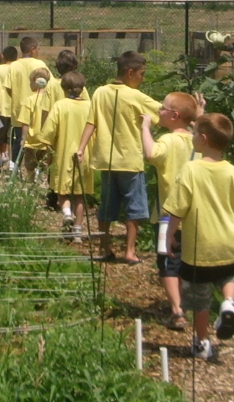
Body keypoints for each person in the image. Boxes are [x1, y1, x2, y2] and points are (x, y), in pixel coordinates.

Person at [164, 113, 234, 361]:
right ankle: (229, 302)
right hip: (227, 244)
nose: (192, 135)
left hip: (199, 248)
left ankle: (202, 341)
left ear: (203, 139)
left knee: (199, 300)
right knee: (230, 277)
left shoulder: (191, 170)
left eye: (195, 133)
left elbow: (177, 208)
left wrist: (169, 235)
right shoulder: (232, 171)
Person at [76, 51, 161, 264]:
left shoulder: (100, 92)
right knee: (135, 207)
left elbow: (91, 122)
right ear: (130, 72)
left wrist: (81, 148)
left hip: (106, 160)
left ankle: (105, 248)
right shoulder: (136, 96)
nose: (143, 79)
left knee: (107, 207)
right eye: (142, 74)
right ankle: (130, 251)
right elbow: (165, 113)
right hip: (130, 161)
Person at [141, 91, 199, 330]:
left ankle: (177, 310)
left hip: (168, 215)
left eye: (163, 109)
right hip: (194, 216)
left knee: (167, 262)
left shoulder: (168, 140)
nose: (158, 111)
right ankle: (188, 303)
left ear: (174, 116)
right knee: (188, 261)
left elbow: (150, 154)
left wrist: (144, 127)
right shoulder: (197, 141)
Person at [40, 71, 93, 245]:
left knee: (62, 191)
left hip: (63, 153)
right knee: (79, 194)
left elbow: (48, 132)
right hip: (84, 154)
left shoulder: (60, 106)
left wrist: (47, 151)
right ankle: (78, 231)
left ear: (63, 88)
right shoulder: (90, 106)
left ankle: (66, 213)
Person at [5, 37, 49, 166]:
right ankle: (36, 167)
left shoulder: (13, 65)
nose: (38, 51)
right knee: (36, 140)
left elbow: (8, 88)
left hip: (19, 110)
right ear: (32, 49)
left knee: (18, 139)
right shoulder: (40, 64)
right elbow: (48, 83)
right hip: (38, 109)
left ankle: (15, 165)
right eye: (38, 49)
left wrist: (17, 98)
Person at [17, 67, 51, 182]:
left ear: (36, 81)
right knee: (46, 165)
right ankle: (45, 185)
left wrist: (23, 138)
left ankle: (31, 184)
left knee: (30, 166)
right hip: (47, 140)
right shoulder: (51, 99)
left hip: (32, 141)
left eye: (30, 81)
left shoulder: (29, 100)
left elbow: (25, 122)